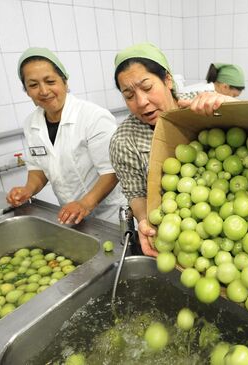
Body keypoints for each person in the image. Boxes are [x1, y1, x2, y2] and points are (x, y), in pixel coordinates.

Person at [7, 47, 125, 225]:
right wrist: (28, 189)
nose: (44, 91)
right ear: (26, 90)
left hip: (110, 216)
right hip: (71, 215)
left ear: (65, 82)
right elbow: (38, 168)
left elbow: (112, 172)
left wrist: (84, 204)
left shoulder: (93, 117)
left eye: (50, 81)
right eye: (33, 85)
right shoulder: (31, 124)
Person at [109, 42, 181, 257]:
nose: (141, 102)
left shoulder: (201, 111)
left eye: (147, 88)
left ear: (167, 79)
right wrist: (144, 221)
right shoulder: (124, 140)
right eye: (129, 95)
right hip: (168, 235)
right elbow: (136, 194)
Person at [177, 63, 245, 100]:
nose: (232, 98)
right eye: (233, 95)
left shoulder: (207, 86)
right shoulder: (206, 94)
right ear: (225, 86)